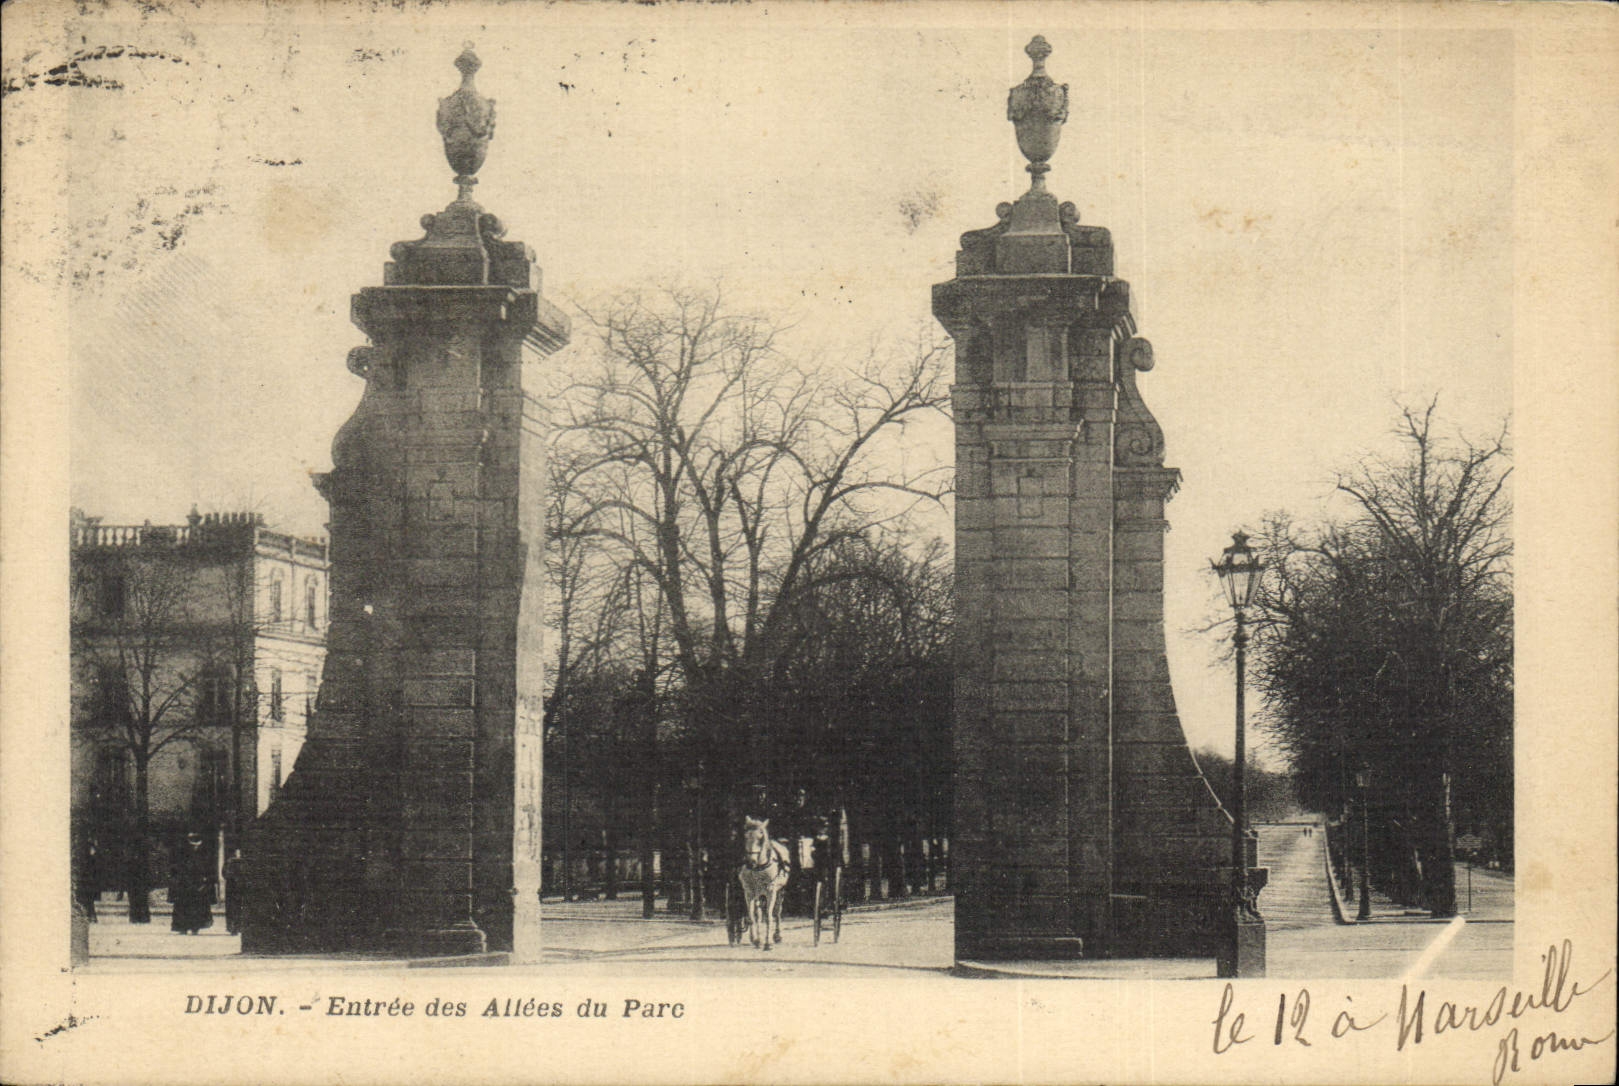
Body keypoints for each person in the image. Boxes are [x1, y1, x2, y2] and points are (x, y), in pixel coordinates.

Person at [170, 830, 215, 935]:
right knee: (185, 905)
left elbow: (209, 866)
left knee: (195, 905)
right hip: (186, 882)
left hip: (197, 882)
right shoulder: (182, 850)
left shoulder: (204, 851)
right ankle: (184, 927)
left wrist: (206, 878)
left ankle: (194, 926)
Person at [222, 847, 244, 934]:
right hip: (234, 888)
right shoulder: (230, 862)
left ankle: (236, 928)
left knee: (236, 908)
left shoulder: (231, 862)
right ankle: (234, 928)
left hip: (236, 888)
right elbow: (224, 873)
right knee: (234, 908)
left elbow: (224, 873)